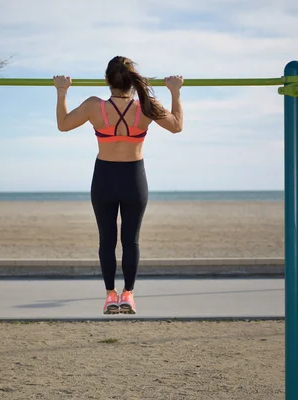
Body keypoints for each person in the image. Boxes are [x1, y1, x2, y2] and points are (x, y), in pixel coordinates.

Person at [53, 56, 184, 315]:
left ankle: (110, 295)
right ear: (132, 82)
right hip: (134, 178)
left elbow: (63, 125)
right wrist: (175, 92)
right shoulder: (147, 106)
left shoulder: (94, 106)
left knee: (107, 240)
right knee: (131, 240)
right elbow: (177, 127)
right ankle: (129, 295)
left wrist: (61, 92)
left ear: (106, 80)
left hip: (104, 178)